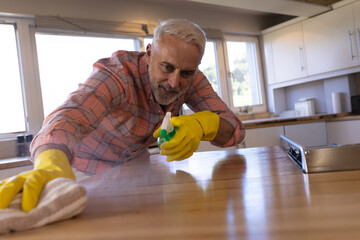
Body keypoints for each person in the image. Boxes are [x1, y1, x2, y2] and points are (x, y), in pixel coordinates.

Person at [0, 19, 245, 212]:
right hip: (82, 170)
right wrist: (51, 163)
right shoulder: (118, 75)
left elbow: (234, 129)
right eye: (167, 67)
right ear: (149, 54)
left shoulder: (191, 79)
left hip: (136, 168)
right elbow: (71, 116)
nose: (174, 82)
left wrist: (206, 124)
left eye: (186, 73)